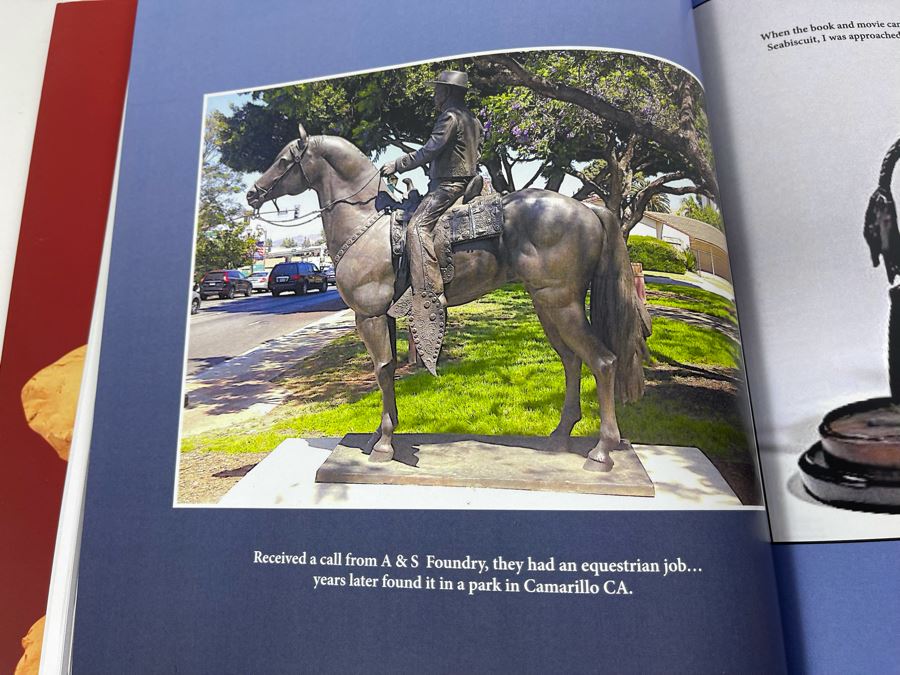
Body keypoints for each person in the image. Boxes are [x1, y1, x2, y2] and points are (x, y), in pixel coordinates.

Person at [380, 70, 483, 374]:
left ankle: (427, 290)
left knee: (417, 227)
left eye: (437, 89)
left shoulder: (450, 117)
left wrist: (396, 163)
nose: (434, 94)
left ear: (448, 92)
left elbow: (430, 150)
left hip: (449, 185)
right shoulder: (472, 119)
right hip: (463, 180)